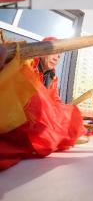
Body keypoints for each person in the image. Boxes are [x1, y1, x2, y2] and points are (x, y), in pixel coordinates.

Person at [0, 43, 84, 171]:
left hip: (41, 114)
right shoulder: (27, 64)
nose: (57, 58)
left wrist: (59, 112)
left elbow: (55, 99)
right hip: (22, 113)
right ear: (42, 51)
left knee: (63, 120)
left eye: (59, 56)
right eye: (54, 53)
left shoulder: (53, 78)